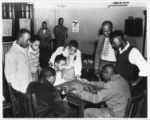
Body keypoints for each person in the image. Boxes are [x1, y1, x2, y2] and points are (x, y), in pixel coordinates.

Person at [5, 29, 32, 93]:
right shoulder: (11, 53)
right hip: (20, 91)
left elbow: (27, 69)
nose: (29, 42)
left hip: (28, 87)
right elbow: (10, 78)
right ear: (20, 38)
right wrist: (18, 94)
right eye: (27, 40)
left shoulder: (24, 49)